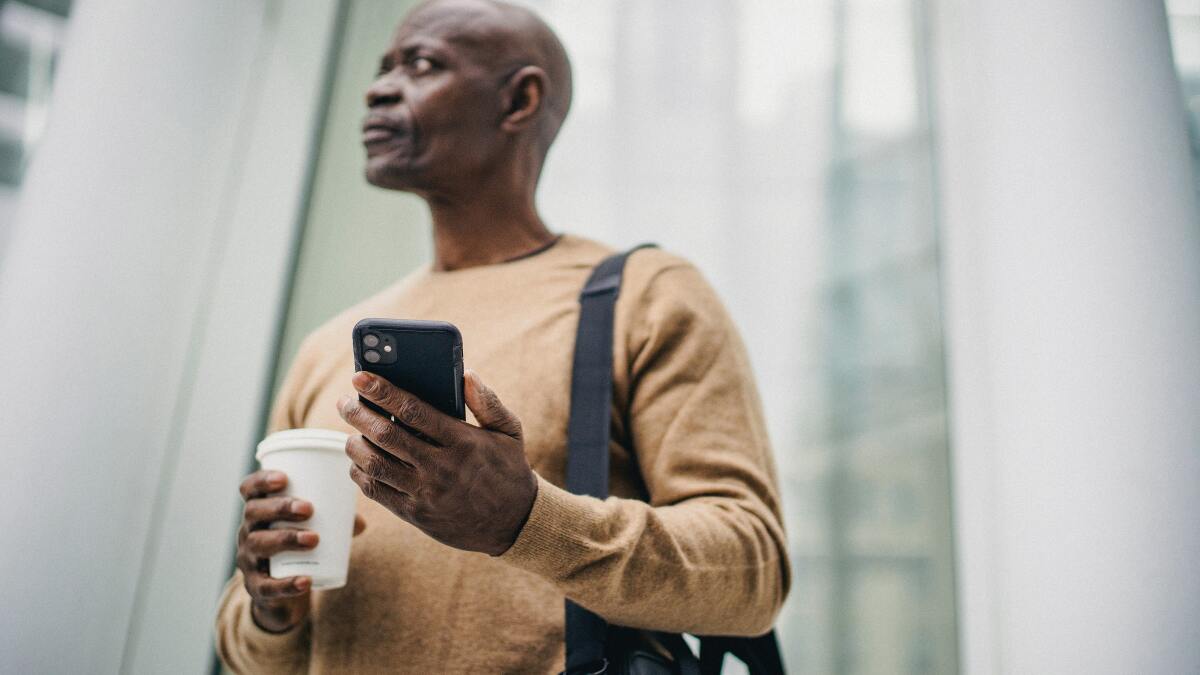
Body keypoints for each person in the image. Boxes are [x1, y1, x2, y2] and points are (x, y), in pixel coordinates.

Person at [215, 0, 790, 672]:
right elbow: (253, 654)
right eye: (381, 68)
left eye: (421, 64)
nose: (378, 87)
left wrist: (525, 518)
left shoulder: (645, 292)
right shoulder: (326, 346)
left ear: (519, 100)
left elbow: (751, 571)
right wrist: (269, 607)